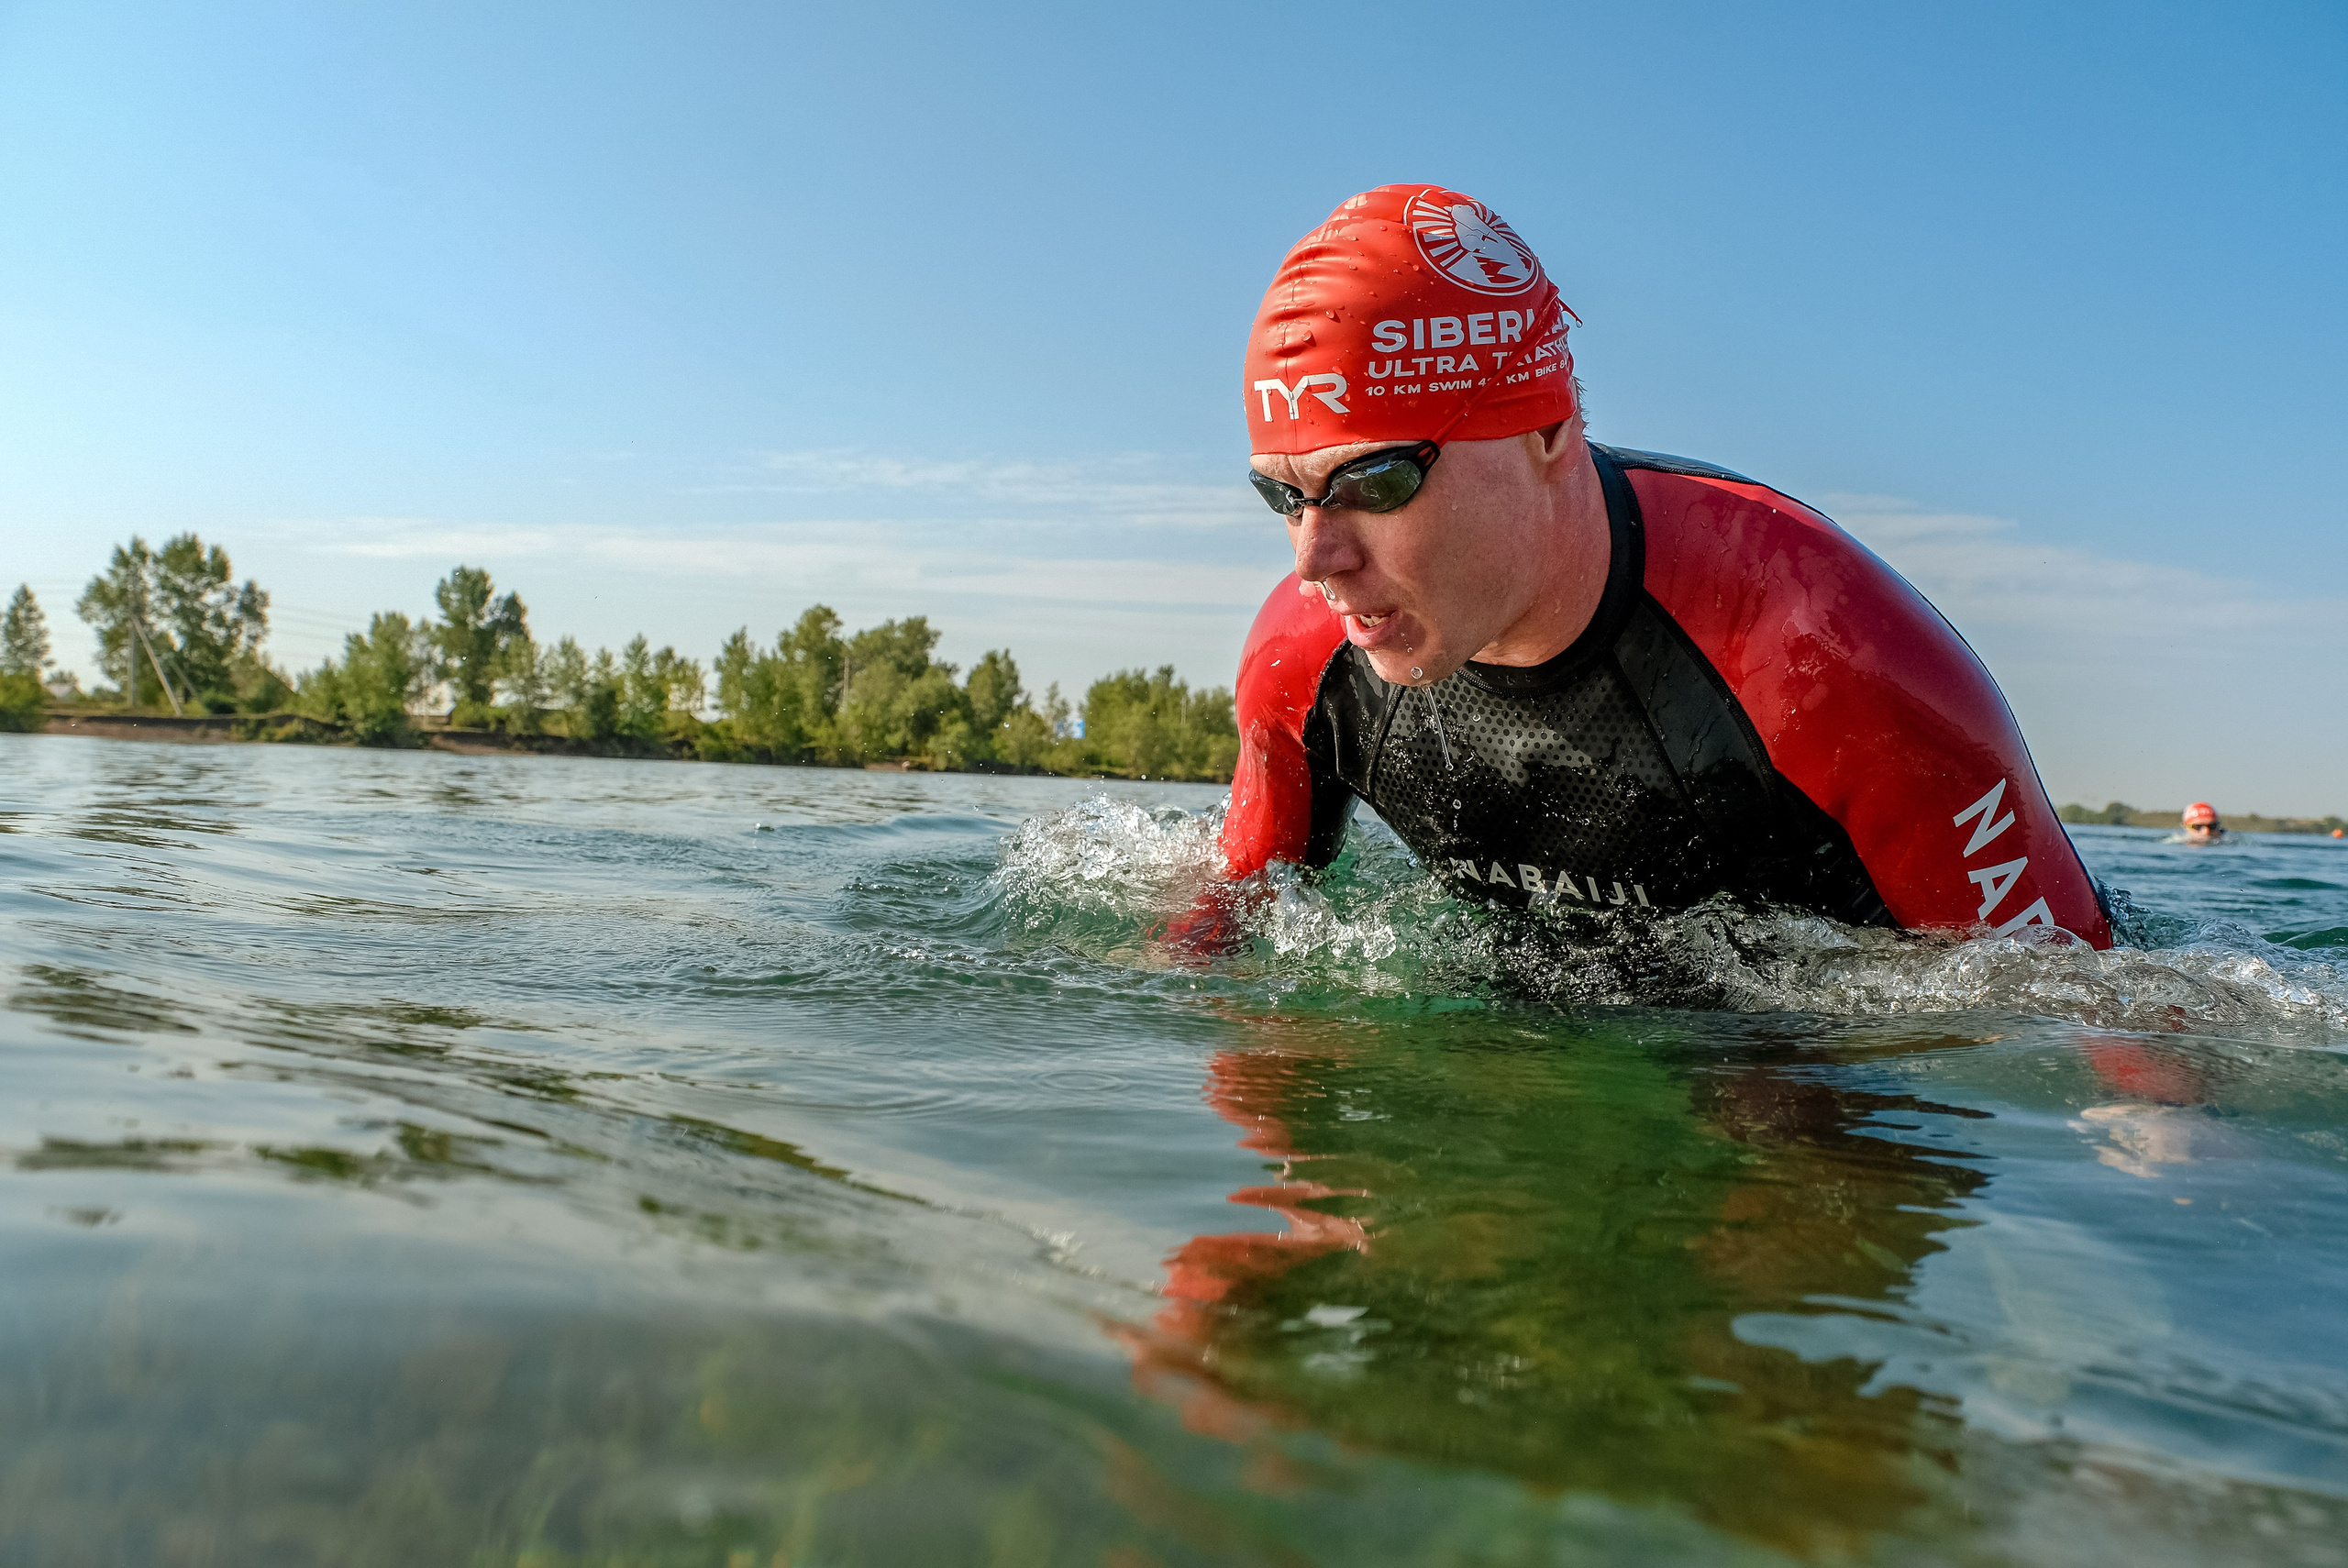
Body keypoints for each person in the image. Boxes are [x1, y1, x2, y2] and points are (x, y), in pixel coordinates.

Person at [1219, 184, 2112, 948]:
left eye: (1373, 481)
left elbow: (2102, 1026)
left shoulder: (1827, 653)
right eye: (1283, 495)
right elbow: (1213, 930)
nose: (1314, 560)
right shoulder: (1300, 662)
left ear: (1545, 430)